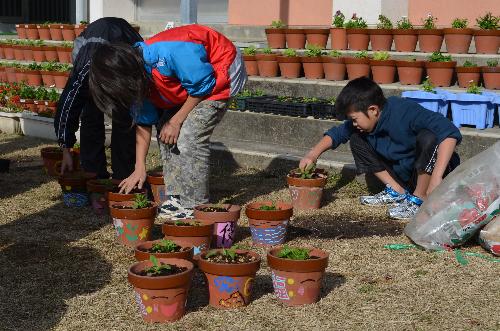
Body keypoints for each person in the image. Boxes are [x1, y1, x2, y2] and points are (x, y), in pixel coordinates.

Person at [88, 24, 247, 219]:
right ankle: (177, 197)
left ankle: (195, 205)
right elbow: (144, 123)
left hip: (221, 69)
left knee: (189, 136)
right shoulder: (136, 78)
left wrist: (177, 120)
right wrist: (139, 168)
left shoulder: (168, 52)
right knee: (165, 132)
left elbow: (203, 83)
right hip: (189, 84)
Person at [300, 77, 461, 220]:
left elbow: (449, 133)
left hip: (436, 174)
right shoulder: (365, 123)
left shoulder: (404, 110)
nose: (354, 123)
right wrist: (312, 155)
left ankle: (419, 199)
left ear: (373, 110)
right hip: (406, 176)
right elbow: (337, 134)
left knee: (429, 137)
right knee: (356, 138)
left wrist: (436, 178)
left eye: (355, 119)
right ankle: (397, 191)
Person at [54, 17, 143, 179]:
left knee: (124, 117)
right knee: (90, 115)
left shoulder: (131, 61)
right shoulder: (84, 70)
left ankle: (123, 174)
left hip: (123, 59)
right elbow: (68, 105)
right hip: (94, 62)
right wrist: (66, 148)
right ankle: (93, 171)